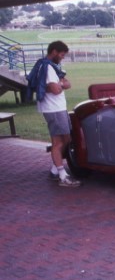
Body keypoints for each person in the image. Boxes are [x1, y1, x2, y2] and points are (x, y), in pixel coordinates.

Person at [29, 41, 81, 187]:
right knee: (58, 142)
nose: (63, 57)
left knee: (67, 139)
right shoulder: (48, 68)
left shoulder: (52, 66)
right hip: (53, 109)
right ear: (54, 51)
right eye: (62, 55)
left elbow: (67, 84)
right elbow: (56, 89)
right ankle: (62, 176)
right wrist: (61, 84)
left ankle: (54, 170)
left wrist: (61, 84)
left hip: (58, 108)